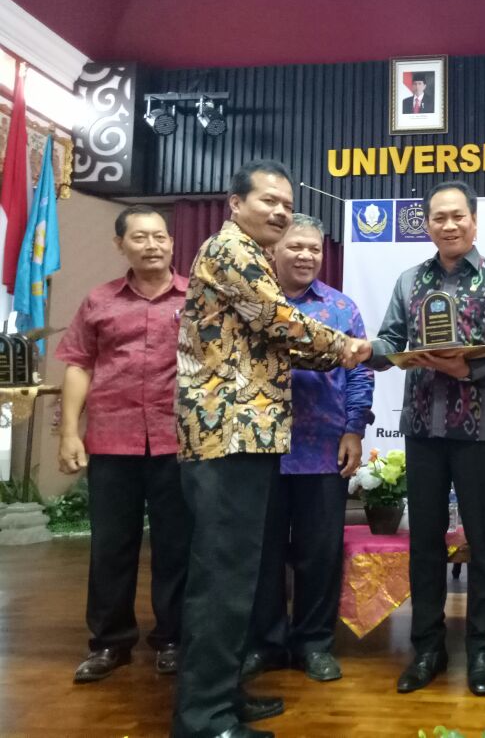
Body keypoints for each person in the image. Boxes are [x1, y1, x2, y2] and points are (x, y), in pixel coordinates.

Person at [173, 161, 357, 738]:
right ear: (235, 203)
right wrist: (349, 347)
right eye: (268, 201)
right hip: (226, 434)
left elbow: (275, 341)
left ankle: (223, 696)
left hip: (245, 436)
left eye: (287, 204)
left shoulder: (249, 253)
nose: (279, 211)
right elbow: (281, 323)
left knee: (237, 575)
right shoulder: (233, 251)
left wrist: (344, 351)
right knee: (222, 578)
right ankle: (204, 718)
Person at [344, 180, 485, 698]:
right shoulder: (410, 280)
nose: (449, 225)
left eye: (458, 216)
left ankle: (483, 650)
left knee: (484, 542)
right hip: (422, 428)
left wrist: (467, 370)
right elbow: (391, 340)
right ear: (427, 225)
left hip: (479, 431)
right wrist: (370, 350)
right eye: (439, 217)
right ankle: (427, 648)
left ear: (474, 221)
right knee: (424, 542)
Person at [56, 205, 190, 684]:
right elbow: (78, 364)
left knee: (177, 546)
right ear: (121, 245)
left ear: (171, 242)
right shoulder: (99, 301)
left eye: (159, 236)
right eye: (139, 237)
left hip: (179, 442)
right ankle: (110, 643)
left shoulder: (196, 298)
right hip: (113, 440)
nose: (152, 245)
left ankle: (173, 639)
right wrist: (69, 433)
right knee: (111, 547)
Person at [241, 213, 374, 684]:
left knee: (320, 554)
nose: (305, 256)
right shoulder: (253, 303)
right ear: (273, 250)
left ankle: (314, 643)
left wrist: (353, 429)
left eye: (314, 249)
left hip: (322, 449)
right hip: (258, 449)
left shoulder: (340, 308)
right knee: (263, 554)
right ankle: (266, 644)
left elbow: (360, 373)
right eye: (296, 246)